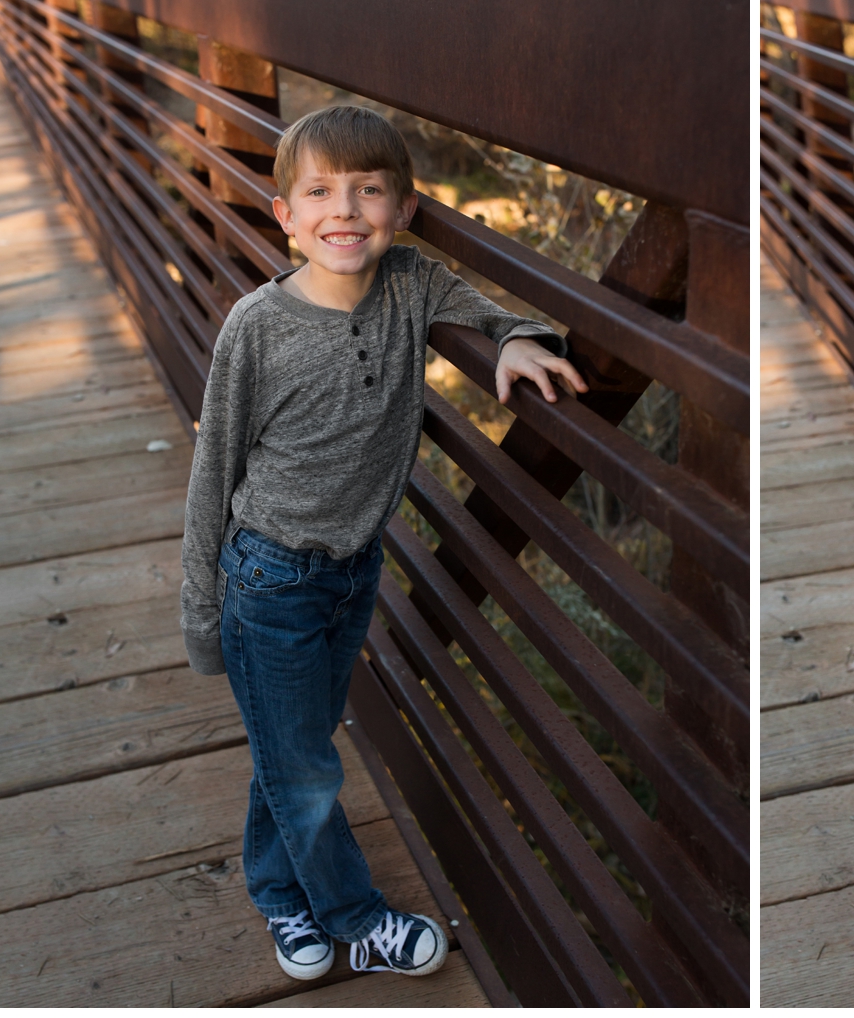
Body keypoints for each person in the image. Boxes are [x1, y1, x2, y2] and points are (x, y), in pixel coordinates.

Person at [178, 105, 585, 980]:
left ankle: (280, 893)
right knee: (305, 766)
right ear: (284, 214)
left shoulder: (412, 283)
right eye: (320, 191)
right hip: (268, 577)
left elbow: (494, 309)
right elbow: (212, 470)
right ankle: (355, 917)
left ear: (402, 206)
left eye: (369, 190)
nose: (346, 211)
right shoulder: (256, 327)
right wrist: (200, 610)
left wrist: (513, 343)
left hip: (353, 570)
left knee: (295, 748)